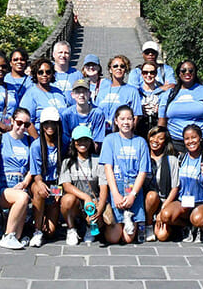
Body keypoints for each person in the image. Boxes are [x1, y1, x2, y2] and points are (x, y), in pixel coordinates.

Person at [100, 105, 151, 244]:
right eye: (122, 119)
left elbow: (143, 171)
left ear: (134, 121)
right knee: (113, 238)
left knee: (128, 239)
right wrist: (115, 194)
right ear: (116, 121)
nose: (126, 122)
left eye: (129, 119)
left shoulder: (140, 142)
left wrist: (133, 195)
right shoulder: (110, 140)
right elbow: (108, 168)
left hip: (133, 190)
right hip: (116, 186)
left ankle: (132, 221)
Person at [156, 125, 203, 243]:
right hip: (184, 200)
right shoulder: (181, 158)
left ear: (200, 138)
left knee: (198, 219)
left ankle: (201, 227)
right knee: (165, 215)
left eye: (194, 137)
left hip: (202, 201)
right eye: (187, 138)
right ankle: (187, 227)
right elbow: (176, 186)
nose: (190, 141)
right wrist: (164, 206)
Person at [158, 60, 203, 157]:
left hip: (202, 142)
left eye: (190, 70)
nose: (187, 73)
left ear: (195, 73)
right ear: (179, 73)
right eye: (183, 71)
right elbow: (162, 122)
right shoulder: (169, 94)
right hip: (175, 143)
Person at [59, 126, 108, 245]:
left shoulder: (99, 161)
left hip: (94, 203)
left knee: (106, 227)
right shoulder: (67, 162)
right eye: (79, 140)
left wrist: (99, 210)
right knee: (67, 199)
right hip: (77, 203)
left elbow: (103, 188)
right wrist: (86, 198)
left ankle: (90, 227)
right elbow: (66, 186)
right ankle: (71, 229)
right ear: (73, 142)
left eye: (86, 140)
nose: (82, 143)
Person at [0, 107, 33, 250]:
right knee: (22, 198)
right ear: (12, 121)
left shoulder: (29, 141)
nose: (22, 127)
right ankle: (8, 236)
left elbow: (33, 168)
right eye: (19, 123)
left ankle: (13, 234)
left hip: (21, 182)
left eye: (26, 125)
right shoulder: (1, 139)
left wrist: (24, 183)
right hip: (4, 183)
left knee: (23, 197)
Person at [28, 107, 64, 247]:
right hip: (41, 181)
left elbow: (64, 169)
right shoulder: (36, 146)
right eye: (46, 123)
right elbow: (36, 172)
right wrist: (40, 183)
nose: (50, 127)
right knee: (39, 190)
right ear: (42, 125)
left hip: (55, 183)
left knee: (50, 231)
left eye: (53, 123)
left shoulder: (63, 142)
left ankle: (43, 219)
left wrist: (58, 189)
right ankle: (36, 231)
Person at [143, 126, 179, 242]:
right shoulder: (143, 158)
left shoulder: (172, 160)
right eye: (153, 136)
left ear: (165, 141)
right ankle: (148, 225)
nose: (155, 141)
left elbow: (175, 188)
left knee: (162, 236)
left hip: (165, 200)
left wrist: (162, 209)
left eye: (160, 138)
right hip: (147, 200)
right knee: (152, 196)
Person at [19, 57, 66, 139]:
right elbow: (28, 122)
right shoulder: (30, 94)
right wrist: (39, 142)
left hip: (60, 139)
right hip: (41, 138)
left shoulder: (59, 92)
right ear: (35, 74)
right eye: (40, 72)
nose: (44, 74)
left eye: (48, 72)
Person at [96, 55, 142, 133]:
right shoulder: (102, 91)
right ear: (110, 70)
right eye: (115, 66)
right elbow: (96, 112)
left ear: (125, 70)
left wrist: (128, 133)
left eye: (122, 66)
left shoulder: (132, 91)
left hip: (121, 133)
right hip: (102, 133)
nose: (119, 68)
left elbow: (136, 116)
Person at [60, 78, 106, 151]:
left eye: (84, 92)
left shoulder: (98, 113)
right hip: (72, 151)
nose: (81, 95)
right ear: (72, 95)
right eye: (78, 92)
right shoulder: (67, 114)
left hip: (91, 151)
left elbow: (97, 141)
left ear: (90, 94)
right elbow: (66, 139)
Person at [137, 61, 166, 137]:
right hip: (139, 129)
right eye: (145, 73)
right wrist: (140, 110)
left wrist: (159, 110)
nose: (148, 75)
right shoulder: (136, 92)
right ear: (141, 74)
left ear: (156, 74)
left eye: (152, 72)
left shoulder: (163, 93)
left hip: (156, 127)